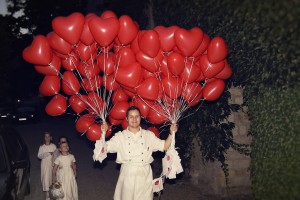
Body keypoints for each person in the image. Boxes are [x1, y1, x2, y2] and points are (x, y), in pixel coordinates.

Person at [95, 106, 177, 200]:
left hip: (145, 175)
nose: (134, 119)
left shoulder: (148, 135)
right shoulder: (120, 137)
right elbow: (102, 150)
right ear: (126, 119)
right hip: (127, 175)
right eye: (131, 116)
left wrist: (171, 133)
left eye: (137, 116)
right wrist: (103, 133)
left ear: (140, 118)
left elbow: (164, 146)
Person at [37, 131, 57, 200]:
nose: (47, 138)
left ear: (51, 138)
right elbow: (39, 156)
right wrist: (47, 153)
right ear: (44, 138)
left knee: (52, 177)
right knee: (46, 178)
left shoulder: (53, 146)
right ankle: (47, 193)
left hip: (52, 165)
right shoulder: (42, 147)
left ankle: (53, 192)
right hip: (45, 165)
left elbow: (56, 155)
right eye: (46, 137)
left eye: (48, 136)